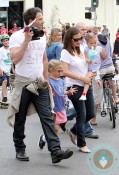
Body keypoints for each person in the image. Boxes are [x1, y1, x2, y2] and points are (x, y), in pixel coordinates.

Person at [7, 7, 73, 163]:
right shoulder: (16, 36)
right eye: (41, 18)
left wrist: (46, 79)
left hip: (39, 83)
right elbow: (15, 60)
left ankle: (55, 151)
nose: (44, 21)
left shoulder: (43, 36)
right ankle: (20, 149)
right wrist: (26, 41)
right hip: (23, 83)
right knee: (20, 118)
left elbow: (44, 59)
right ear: (32, 21)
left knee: (47, 117)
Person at [60, 27, 96, 153]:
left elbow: (88, 64)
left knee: (91, 113)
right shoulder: (65, 52)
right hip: (74, 87)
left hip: (86, 84)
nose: (79, 41)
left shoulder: (81, 48)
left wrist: (91, 73)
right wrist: (82, 77)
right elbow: (64, 71)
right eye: (76, 39)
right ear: (69, 40)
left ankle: (73, 131)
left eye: (80, 38)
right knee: (82, 114)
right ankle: (82, 144)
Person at [38, 59, 77, 149]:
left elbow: (61, 91)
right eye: (58, 71)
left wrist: (68, 92)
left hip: (61, 107)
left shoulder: (61, 81)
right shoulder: (48, 81)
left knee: (55, 128)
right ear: (51, 70)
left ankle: (44, 138)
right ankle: (54, 146)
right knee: (55, 129)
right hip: (52, 108)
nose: (60, 73)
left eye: (61, 71)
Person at [79, 33, 106, 100]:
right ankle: (84, 93)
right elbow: (86, 58)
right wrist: (89, 60)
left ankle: (84, 94)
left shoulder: (99, 48)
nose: (93, 44)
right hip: (89, 68)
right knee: (88, 79)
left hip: (96, 68)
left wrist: (103, 53)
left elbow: (103, 57)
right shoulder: (86, 49)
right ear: (87, 43)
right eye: (91, 43)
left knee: (91, 78)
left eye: (95, 43)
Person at [0, 34, 14, 106]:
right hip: (2, 70)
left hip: (8, 70)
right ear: (2, 42)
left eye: (7, 40)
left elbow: (11, 62)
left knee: (7, 85)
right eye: (4, 41)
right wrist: (0, 69)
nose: (6, 42)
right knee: (4, 81)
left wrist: (13, 70)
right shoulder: (1, 50)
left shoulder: (11, 49)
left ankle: (5, 96)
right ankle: (4, 98)